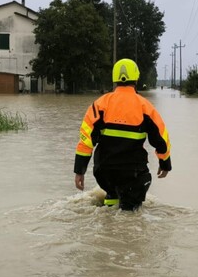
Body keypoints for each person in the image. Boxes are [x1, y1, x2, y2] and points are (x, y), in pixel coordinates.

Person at [73, 58, 172, 211]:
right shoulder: (145, 106)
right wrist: (165, 163)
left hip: (104, 171)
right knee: (129, 213)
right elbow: (161, 139)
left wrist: (79, 170)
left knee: (111, 196)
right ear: (136, 78)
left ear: (114, 79)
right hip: (132, 172)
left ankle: (109, 215)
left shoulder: (99, 105)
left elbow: (85, 141)